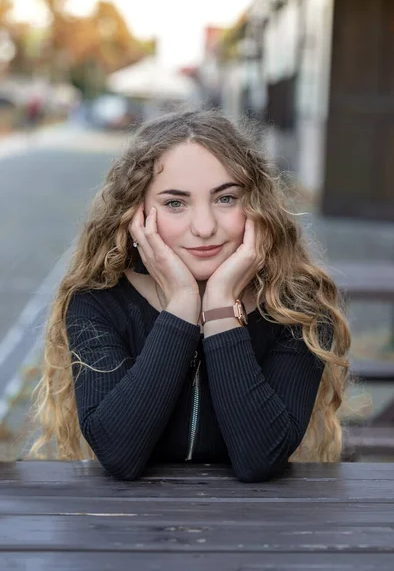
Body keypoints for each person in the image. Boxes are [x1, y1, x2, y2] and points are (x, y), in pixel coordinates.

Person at [29, 109, 351, 482]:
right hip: (130, 532)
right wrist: (182, 306)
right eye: (175, 203)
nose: (204, 228)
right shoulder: (98, 302)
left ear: (258, 206)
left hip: (256, 530)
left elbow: (260, 458)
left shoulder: (296, 307)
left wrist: (219, 309)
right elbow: (119, 454)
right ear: (138, 214)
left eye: (226, 198)